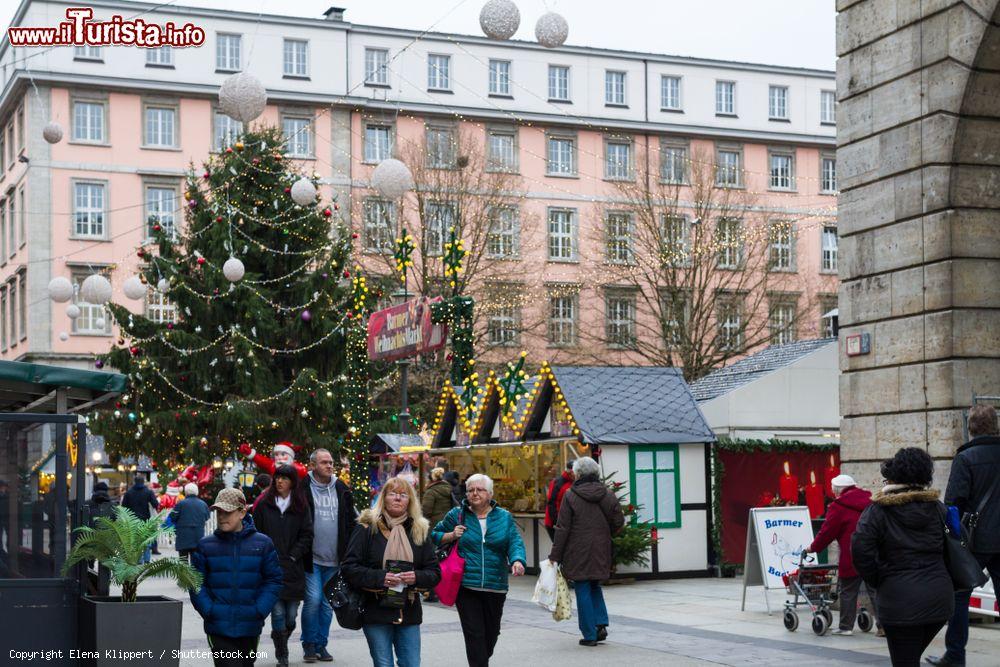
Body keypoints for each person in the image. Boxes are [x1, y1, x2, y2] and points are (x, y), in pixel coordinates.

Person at [851, 447, 954, 667]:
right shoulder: (938, 509)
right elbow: (954, 545)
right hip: (939, 599)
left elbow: (860, 548)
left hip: (899, 601)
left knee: (905, 660)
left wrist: (878, 579)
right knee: (909, 657)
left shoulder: (878, 510)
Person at [927, 404, 1000, 667]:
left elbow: (953, 504)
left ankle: (956, 655)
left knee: (959, 595)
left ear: (970, 427)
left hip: (975, 540)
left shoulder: (966, 458)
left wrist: (953, 541)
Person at [342, 477, 442, 667]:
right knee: (383, 664)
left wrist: (416, 577)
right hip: (375, 610)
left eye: (403, 495)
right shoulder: (366, 528)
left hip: (409, 611)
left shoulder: (419, 530)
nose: (398, 498)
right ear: (384, 498)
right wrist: (381, 578)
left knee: (411, 663)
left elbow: (434, 572)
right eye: (393, 494)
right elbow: (349, 567)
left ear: (410, 501)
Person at [433, 473, 526, 667]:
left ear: (490, 493)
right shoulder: (456, 515)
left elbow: (515, 542)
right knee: (474, 634)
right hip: (466, 585)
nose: (474, 493)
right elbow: (433, 534)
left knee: (491, 635)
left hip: (495, 585)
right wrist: (450, 535)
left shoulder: (504, 517)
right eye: (470, 490)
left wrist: (518, 560)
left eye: (480, 489)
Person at [190, 488, 284, 667]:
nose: (222, 516)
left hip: (250, 625)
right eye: (219, 512)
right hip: (218, 626)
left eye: (228, 512)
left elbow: (273, 580)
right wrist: (209, 610)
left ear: (242, 512)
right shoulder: (205, 546)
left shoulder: (263, 544)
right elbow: (195, 582)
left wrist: (259, 610)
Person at [547, 457, 624, 646]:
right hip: (601, 547)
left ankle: (589, 634)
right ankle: (600, 624)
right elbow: (618, 522)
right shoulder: (608, 494)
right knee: (595, 585)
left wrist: (555, 556)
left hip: (577, 549)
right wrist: (604, 534)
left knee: (582, 587)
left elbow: (563, 528)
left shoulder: (571, 495)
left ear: (578, 474)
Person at [252, 465, 314, 667]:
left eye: (285, 478)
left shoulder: (301, 506)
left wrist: (295, 555)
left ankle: (283, 634)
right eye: (277, 477)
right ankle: (282, 653)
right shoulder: (263, 504)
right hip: (271, 567)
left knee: (291, 614)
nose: (279, 481)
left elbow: (307, 534)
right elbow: (256, 533)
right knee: (277, 612)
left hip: (294, 568)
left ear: (292, 482)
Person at [301, 448, 357, 663]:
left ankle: (321, 645)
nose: (330, 466)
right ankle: (309, 644)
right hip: (311, 558)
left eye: (331, 462)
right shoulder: (303, 487)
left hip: (335, 559)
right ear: (313, 465)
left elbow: (351, 521)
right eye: (324, 462)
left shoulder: (341, 488)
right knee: (313, 600)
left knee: (327, 604)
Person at [805, 474, 875, 636]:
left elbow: (827, 533)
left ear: (838, 489)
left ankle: (846, 627)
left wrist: (813, 548)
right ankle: (884, 626)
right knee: (875, 590)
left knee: (848, 591)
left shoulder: (838, 506)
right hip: (872, 553)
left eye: (833, 488)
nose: (832, 491)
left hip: (851, 556)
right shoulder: (870, 502)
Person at [121, 474, 158, 563]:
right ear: (143, 481)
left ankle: (138, 560)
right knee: (146, 540)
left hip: (132, 520)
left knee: (135, 541)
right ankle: (146, 559)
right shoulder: (148, 492)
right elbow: (155, 504)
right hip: (145, 519)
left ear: (135, 482)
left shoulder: (128, 493)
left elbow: (123, 507)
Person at [170, 483, 210, 564]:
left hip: (183, 537)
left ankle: (185, 577)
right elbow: (207, 517)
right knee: (195, 564)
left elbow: (173, 517)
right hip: (197, 537)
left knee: (183, 562)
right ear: (197, 492)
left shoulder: (181, 504)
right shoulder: (203, 504)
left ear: (186, 492)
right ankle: (193, 577)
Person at [240, 441, 308, 479]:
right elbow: (261, 460)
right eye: (276, 455)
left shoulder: (297, 468)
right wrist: (249, 452)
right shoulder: (273, 465)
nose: (279, 457)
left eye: (283, 454)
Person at [544, 462, 575, 542]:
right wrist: (557, 523)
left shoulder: (572, 482)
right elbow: (552, 504)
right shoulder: (558, 483)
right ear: (571, 472)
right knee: (561, 549)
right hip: (555, 523)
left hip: (563, 523)